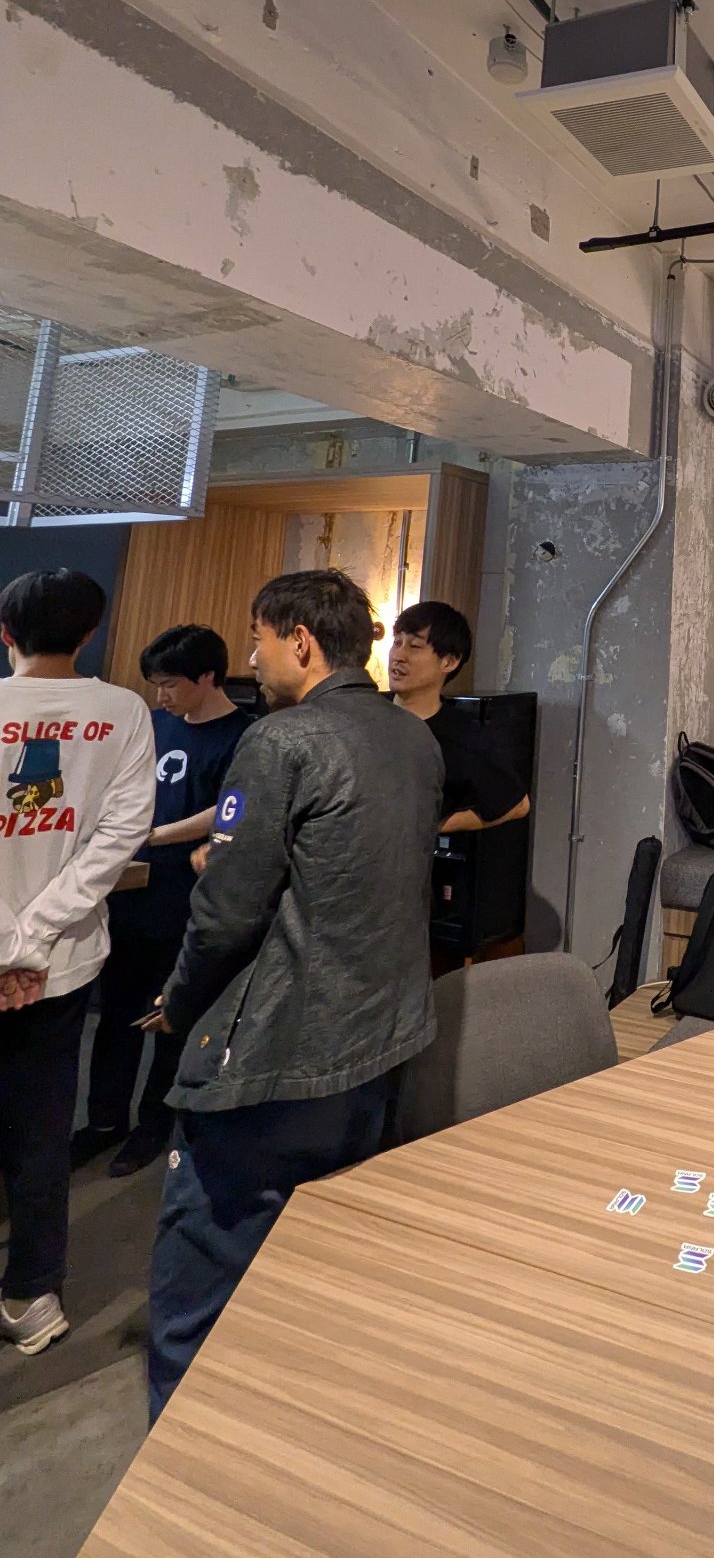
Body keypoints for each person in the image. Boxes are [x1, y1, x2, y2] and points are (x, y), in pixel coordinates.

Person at [144, 568, 443, 1420]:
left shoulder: (281, 740)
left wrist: (178, 1003)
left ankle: (181, 1462)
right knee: (313, 1267)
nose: (252, 657)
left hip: (277, 1056)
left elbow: (224, 916)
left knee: (199, 1289)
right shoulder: (413, 736)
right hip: (379, 1042)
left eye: (259, 638)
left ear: (301, 642)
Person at [0, 569, 156, 1356]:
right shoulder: (124, 711)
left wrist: (6, 942)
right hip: (60, 966)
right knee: (40, 1131)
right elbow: (117, 840)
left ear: (5, 634)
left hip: (24, 961)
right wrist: (31, 941)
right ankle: (32, 1294)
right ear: (90, 633)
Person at [77, 626, 250, 1178]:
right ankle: (104, 1121)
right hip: (132, 894)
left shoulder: (244, 735)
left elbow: (231, 807)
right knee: (117, 1015)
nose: (161, 695)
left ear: (208, 677)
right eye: (156, 684)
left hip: (188, 900)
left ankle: (154, 1124)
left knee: (172, 1018)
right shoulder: (154, 725)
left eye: (171, 683)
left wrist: (154, 835)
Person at [387, 599, 529, 833]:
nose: (398, 655)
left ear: (449, 661)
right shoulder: (365, 709)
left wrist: (432, 827)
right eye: (397, 642)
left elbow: (518, 805)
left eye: (414, 646)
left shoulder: (463, 736)